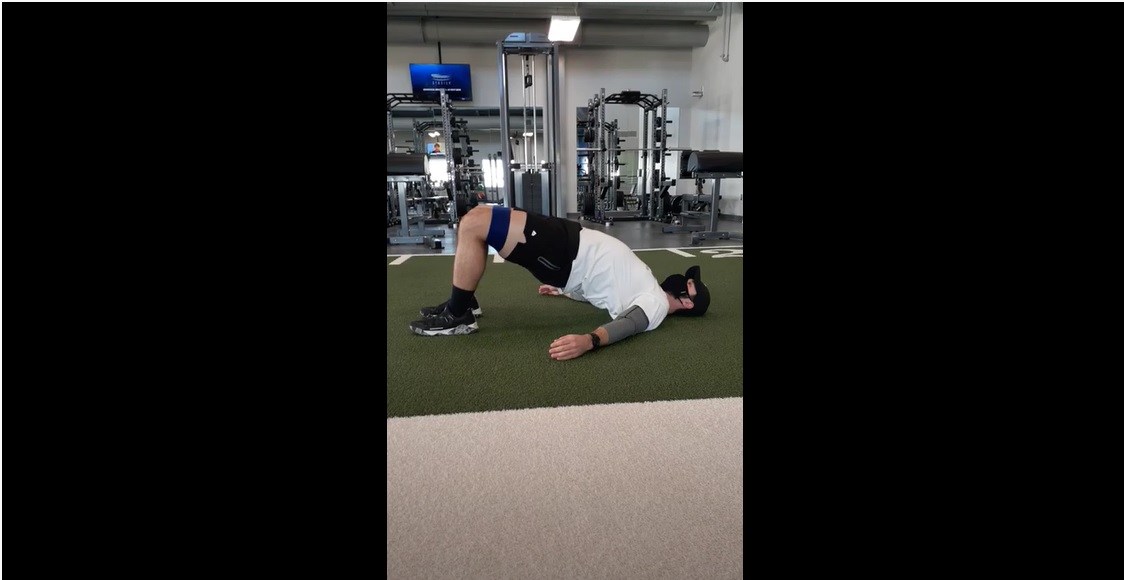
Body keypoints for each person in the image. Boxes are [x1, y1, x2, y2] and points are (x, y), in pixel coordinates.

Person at [409, 205, 711, 361]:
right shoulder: (647, 287)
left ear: (687, 303)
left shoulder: (656, 305)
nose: (685, 279)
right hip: (569, 240)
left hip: (565, 252)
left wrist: (590, 340)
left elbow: (630, 323)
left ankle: (458, 314)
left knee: (474, 224)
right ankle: (463, 302)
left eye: (690, 284)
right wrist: (567, 292)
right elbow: (605, 289)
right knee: (477, 217)